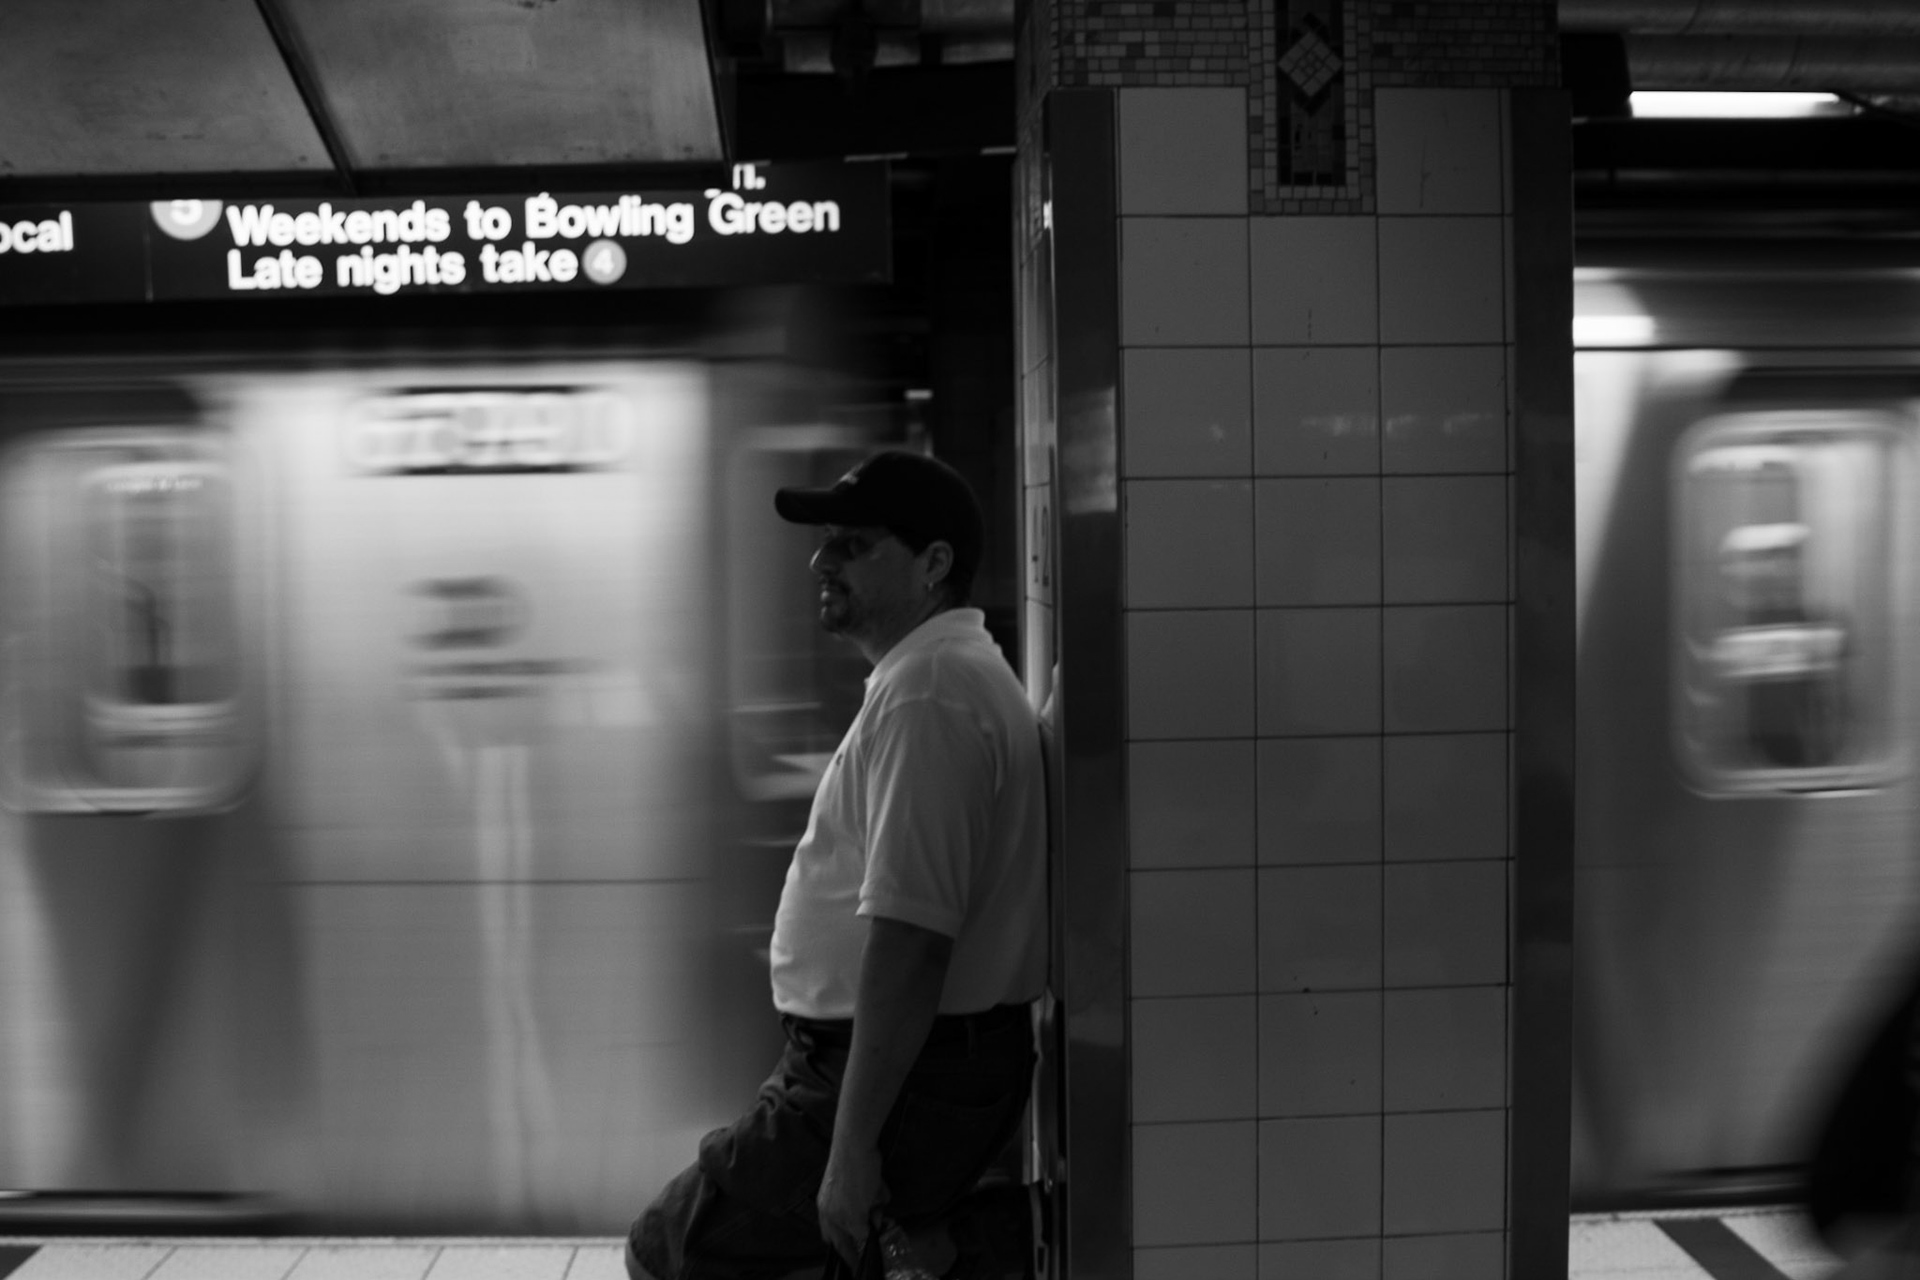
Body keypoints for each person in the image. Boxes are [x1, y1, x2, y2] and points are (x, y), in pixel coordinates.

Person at [626, 449, 1047, 1280]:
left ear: (933, 566)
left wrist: (851, 1151)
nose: (822, 560)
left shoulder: (928, 694)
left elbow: (913, 940)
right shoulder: (939, 676)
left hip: (898, 1070)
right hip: (906, 1065)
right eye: (825, 543)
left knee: (671, 1249)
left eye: (854, 544)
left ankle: (983, 1241)